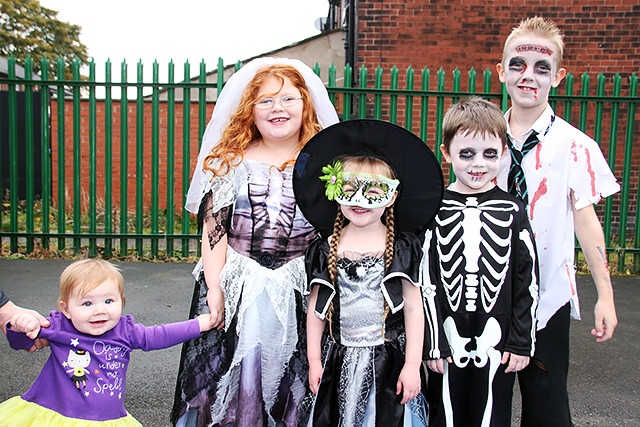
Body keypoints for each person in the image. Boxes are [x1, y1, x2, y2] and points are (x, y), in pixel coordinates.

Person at [171, 57, 339, 427]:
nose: (277, 108)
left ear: (306, 105)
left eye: (288, 99)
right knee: (231, 381)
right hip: (238, 282)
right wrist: (215, 287)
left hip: (300, 286)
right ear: (251, 110)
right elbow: (214, 230)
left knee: (295, 383)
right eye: (265, 101)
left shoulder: (323, 164)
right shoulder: (232, 161)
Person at [495, 17, 620, 426]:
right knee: (485, 404)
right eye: (518, 64)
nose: (528, 76)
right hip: (486, 298)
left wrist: (606, 295)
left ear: (559, 77)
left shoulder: (575, 146)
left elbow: (586, 223)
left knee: (547, 404)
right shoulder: (480, 140)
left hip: (547, 297)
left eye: (541, 67)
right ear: (501, 71)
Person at [293, 119, 444, 426]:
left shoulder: (401, 249)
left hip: (388, 365)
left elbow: (415, 308)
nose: (360, 200)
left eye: (373, 191)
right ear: (335, 192)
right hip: (339, 361)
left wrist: (413, 364)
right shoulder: (326, 249)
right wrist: (314, 361)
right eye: (350, 189)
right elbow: (316, 310)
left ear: (391, 196)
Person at [422, 97, 539, 426]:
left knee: (493, 411)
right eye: (466, 153)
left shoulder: (514, 211)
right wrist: (433, 341)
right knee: (444, 411)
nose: (478, 164)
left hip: (497, 337)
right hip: (445, 333)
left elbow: (527, 282)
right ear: (446, 154)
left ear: (503, 154)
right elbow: (424, 279)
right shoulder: (434, 209)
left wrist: (521, 341)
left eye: (490, 154)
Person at [0, 259, 214, 427]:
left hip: (108, 420)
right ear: (66, 309)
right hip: (56, 417)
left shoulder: (124, 331)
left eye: (109, 301)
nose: (99, 310)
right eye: (87, 303)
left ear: (122, 301)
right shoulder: (59, 326)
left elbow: (158, 335)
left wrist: (197, 325)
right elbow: (22, 343)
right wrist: (19, 326)